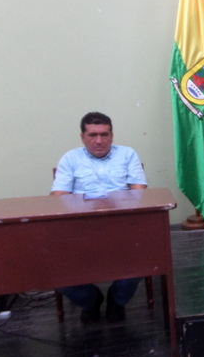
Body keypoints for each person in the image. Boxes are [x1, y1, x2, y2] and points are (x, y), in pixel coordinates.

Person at [51, 112, 147, 324]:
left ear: (112, 136)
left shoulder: (127, 154)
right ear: (82, 137)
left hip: (122, 226)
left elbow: (140, 194)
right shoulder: (70, 158)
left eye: (104, 134)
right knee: (55, 272)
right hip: (80, 229)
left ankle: (117, 300)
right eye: (92, 135)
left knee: (143, 261)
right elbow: (58, 199)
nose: (99, 141)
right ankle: (91, 300)